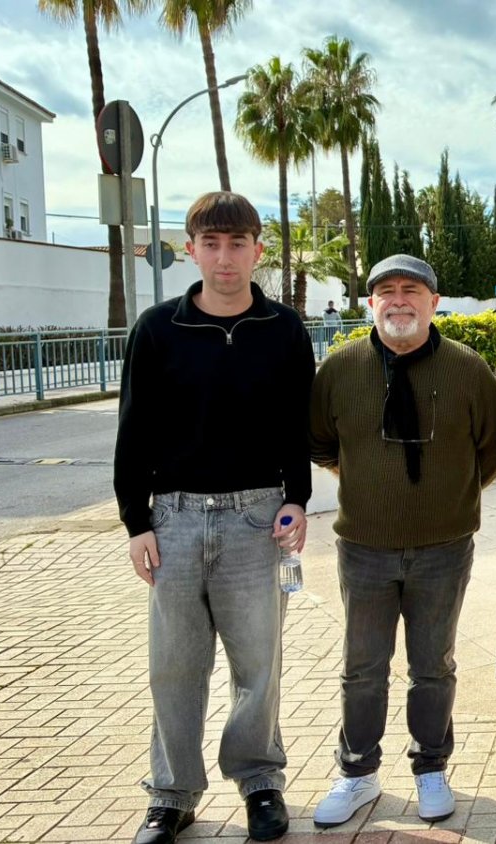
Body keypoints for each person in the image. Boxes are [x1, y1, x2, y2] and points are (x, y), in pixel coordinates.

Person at [114, 191, 314, 844]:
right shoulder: (156, 329)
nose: (225, 257)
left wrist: (296, 497)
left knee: (258, 663)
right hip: (173, 519)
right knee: (175, 666)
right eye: (211, 243)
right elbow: (133, 430)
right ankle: (171, 796)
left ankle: (260, 783)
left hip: (257, 518)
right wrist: (136, 522)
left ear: (258, 250)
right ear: (191, 250)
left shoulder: (284, 329)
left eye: (237, 244)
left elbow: (297, 425)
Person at [308, 254, 496, 828]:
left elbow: (493, 446)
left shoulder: (467, 368)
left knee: (433, 665)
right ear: (370, 302)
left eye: (412, 290)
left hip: (444, 547)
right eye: (387, 291)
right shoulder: (339, 369)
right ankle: (358, 773)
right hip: (363, 546)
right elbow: (319, 442)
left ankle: (430, 768)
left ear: (433, 302)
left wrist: (451, 494)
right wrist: (364, 480)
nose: (399, 300)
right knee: (362, 666)